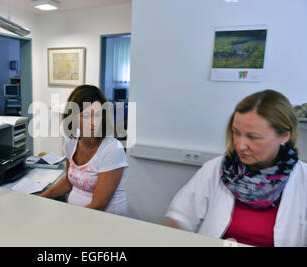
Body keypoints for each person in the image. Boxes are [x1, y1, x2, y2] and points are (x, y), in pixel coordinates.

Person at [160, 89, 307, 247]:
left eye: (253, 137)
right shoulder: (215, 169)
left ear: (285, 136)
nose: (240, 145)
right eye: (236, 133)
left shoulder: (303, 180)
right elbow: (179, 218)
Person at [39, 85, 129, 216]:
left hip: (105, 221)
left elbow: (98, 206)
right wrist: (43, 197)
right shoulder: (71, 143)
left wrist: (69, 219)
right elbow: (69, 181)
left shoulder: (112, 149)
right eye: (85, 116)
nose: (93, 123)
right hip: (79, 216)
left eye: (97, 115)